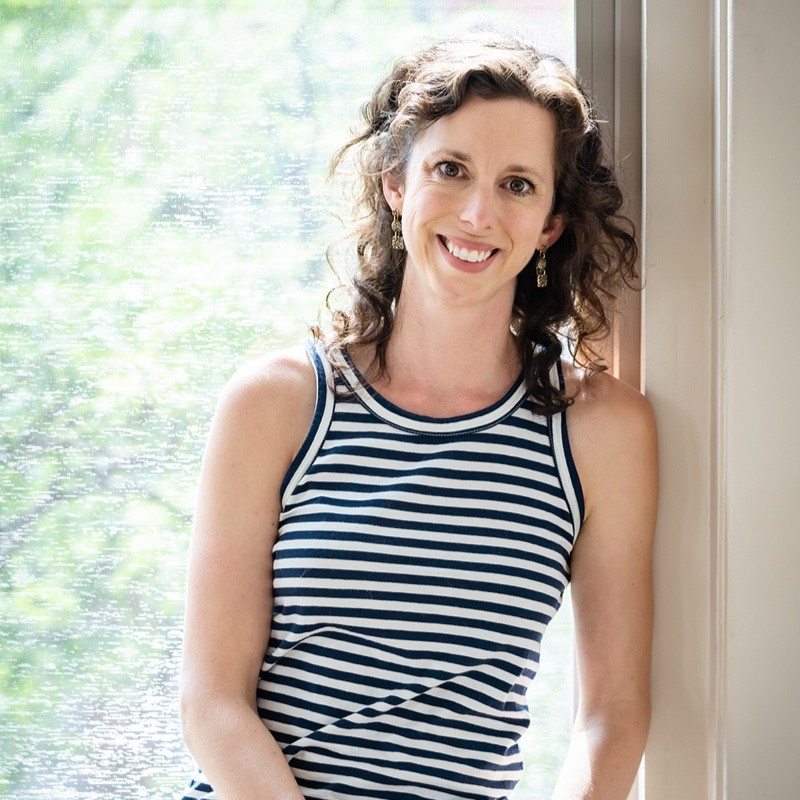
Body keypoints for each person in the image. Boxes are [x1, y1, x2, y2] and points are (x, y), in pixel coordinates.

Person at [178, 32, 658, 800]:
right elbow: (212, 703)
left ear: (551, 225)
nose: (478, 212)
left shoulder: (600, 430)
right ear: (396, 183)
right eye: (450, 169)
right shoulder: (277, 403)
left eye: (518, 185)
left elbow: (613, 716)